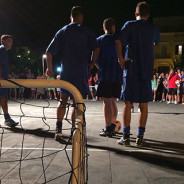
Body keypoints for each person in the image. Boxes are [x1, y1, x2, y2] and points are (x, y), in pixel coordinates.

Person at [45, 6, 99, 140]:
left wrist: (49, 68)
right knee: (77, 102)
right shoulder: (87, 31)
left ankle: (58, 129)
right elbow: (97, 48)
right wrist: (92, 63)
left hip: (66, 72)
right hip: (81, 72)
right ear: (81, 17)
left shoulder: (63, 31)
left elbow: (49, 51)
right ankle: (76, 130)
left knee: (62, 101)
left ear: (71, 17)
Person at [116, 2, 160, 146]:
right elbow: (154, 43)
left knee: (128, 102)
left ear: (136, 14)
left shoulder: (130, 25)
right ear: (148, 14)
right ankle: (140, 137)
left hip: (132, 68)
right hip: (146, 69)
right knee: (143, 104)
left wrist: (121, 59)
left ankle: (126, 136)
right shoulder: (153, 29)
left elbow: (118, 41)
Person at [96, 18, 123, 137]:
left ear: (104, 28)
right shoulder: (119, 40)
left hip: (106, 75)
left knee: (106, 101)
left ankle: (108, 128)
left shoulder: (99, 40)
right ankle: (112, 124)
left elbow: (95, 59)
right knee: (113, 100)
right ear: (113, 28)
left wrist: (101, 67)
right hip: (117, 75)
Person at [0, 35, 19, 127]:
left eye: (11, 41)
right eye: (9, 41)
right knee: (3, 98)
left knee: (4, 98)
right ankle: (7, 118)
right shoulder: (2, 49)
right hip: (1, 81)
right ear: (3, 41)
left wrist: (7, 75)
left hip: (4, 79)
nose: (11, 43)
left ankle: (7, 118)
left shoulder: (5, 52)